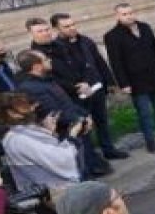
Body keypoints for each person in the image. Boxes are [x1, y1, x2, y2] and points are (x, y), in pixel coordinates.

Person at [44, 14, 128, 161]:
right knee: (84, 126)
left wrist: (110, 82)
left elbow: (99, 62)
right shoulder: (57, 48)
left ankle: (108, 149)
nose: (72, 28)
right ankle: (91, 158)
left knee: (102, 121)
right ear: (56, 29)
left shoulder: (85, 41)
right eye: (67, 26)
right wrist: (75, 87)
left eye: (73, 24)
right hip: (77, 94)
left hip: (97, 88)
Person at [102, 4, 155, 154]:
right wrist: (124, 83)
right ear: (117, 16)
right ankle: (150, 140)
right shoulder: (112, 36)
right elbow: (116, 62)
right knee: (144, 112)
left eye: (131, 12)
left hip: (154, 75)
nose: (129, 16)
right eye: (124, 14)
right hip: (135, 80)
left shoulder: (144, 27)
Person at [16, 50, 103, 178]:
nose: (49, 60)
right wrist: (80, 120)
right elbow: (54, 112)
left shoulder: (47, 80)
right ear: (36, 66)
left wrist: (85, 115)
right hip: (65, 134)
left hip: (77, 129)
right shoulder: (30, 88)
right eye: (45, 59)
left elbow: (67, 103)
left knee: (87, 168)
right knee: (80, 173)